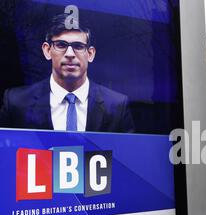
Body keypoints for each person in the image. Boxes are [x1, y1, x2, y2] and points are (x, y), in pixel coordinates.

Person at [0, 14, 134, 133]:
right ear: (47, 50)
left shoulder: (117, 106)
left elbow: (127, 158)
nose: (70, 54)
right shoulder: (17, 103)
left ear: (90, 54)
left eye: (78, 46)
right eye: (61, 45)